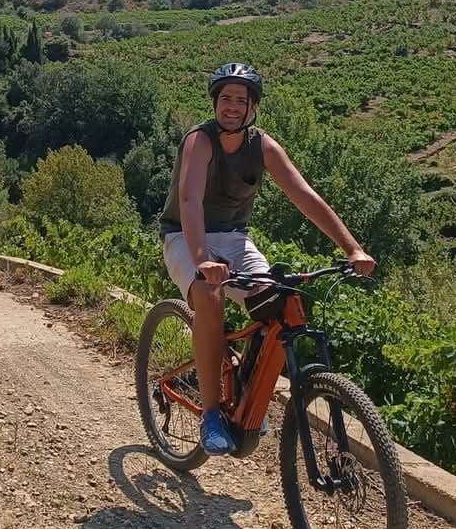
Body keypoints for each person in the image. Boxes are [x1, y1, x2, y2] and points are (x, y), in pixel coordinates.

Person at [159, 61, 375, 456]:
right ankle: (210, 413)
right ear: (215, 103)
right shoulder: (200, 141)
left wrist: (352, 248)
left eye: (241, 100)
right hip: (184, 237)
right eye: (225, 98)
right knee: (209, 294)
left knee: (279, 302)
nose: (232, 106)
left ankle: (246, 385)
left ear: (252, 106)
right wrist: (202, 259)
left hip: (235, 240)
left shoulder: (262, 145)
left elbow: (305, 196)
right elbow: (189, 199)